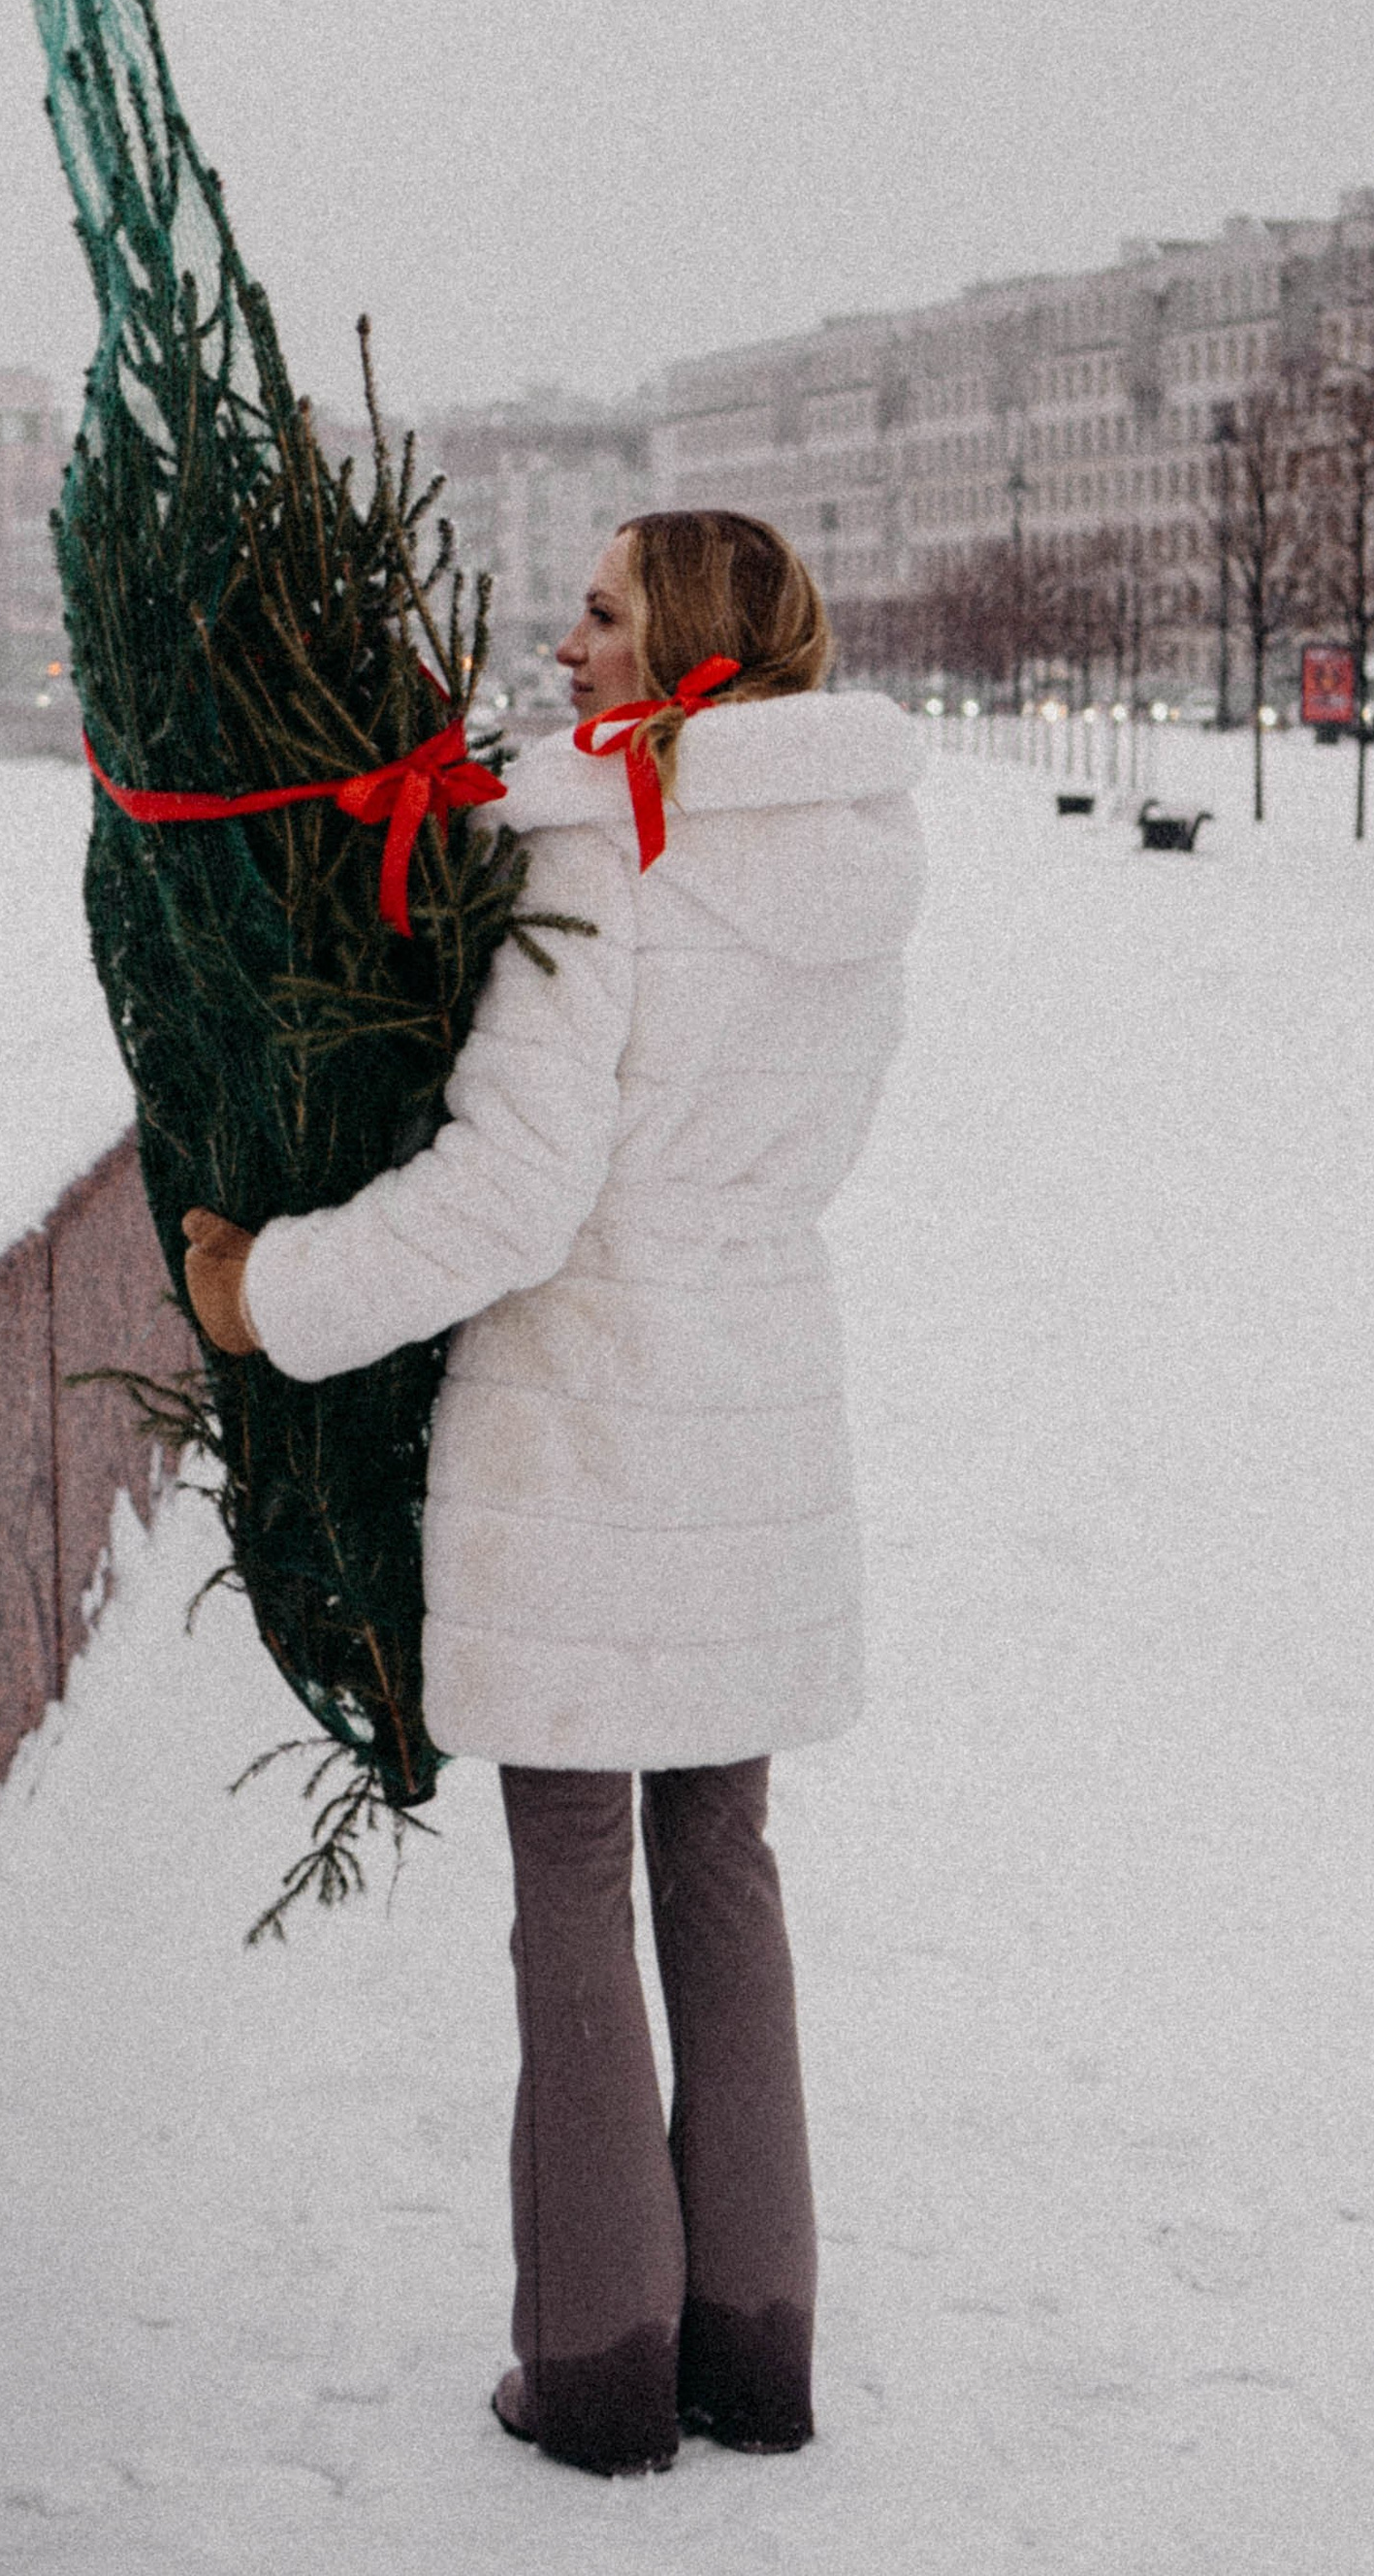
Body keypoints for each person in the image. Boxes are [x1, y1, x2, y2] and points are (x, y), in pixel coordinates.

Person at [180, 507, 923, 2480]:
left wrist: (276, 1296)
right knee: (724, 1875)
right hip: (758, 1404)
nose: (566, 638)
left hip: (594, 1420)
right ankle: (756, 2360)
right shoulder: (851, 865)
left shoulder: (601, 853)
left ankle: (593, 2370)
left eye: (602, 610)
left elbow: (515, 1195)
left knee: (577, 1888)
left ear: (677, 635)